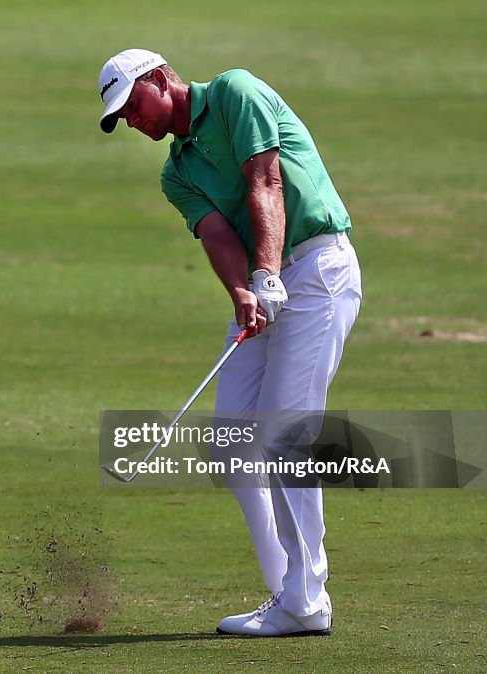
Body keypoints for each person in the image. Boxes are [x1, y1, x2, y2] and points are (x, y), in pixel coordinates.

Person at [97, 49, 362, 637]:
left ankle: (306, 599)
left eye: (135, 106)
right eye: (124, 119)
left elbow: (264, 179)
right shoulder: (176, 172)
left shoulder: (236, 91)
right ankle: (287, 593)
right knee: (232, 442)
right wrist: (243, 290)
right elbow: (217, 235)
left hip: (316, 269)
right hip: (266, 283)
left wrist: (267, 274)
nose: (135, 123)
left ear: (161, 78)